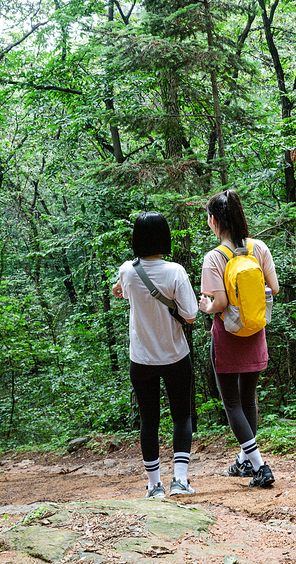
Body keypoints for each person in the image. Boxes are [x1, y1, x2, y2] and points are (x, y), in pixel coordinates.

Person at [112, 211, 197, 499]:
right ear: (164, 237)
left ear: (136, 239)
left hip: (142, 359)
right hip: (175, 355)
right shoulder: (175, 272)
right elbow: (191, 315)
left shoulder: (127, 270)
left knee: (149, 420)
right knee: (181, 415)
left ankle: (153, 486)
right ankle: (181, 481)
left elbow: (122, 291)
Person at [198, 189, 279, 488]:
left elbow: (218, 303)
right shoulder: (259, 248)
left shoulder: (214, 258)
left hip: (228, 334)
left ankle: (259, 465)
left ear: (216, 221)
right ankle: (245, 461)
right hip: (255, 329)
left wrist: (207, 306)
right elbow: (275, 288)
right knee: (249, 399)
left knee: (231, 403)